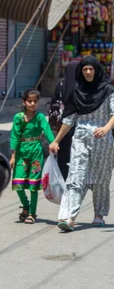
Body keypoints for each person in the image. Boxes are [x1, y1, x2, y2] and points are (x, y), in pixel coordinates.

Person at [49, 56, 114, 232]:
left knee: (101, 180)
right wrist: (56, 140)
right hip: (80, 139)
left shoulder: (108, 90)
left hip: (102, 142)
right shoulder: (77, 92)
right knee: (75, 176)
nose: (88, 72)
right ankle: (69, 217)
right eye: (84, 70)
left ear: (96, 70)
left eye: (91, 69)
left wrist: (106, 128)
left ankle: (99, 214)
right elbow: (69, 119)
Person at [10, 89, 55, 223]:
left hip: (36, 152)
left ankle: (32, 213)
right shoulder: (18, 117)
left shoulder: (40, 117)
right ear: (24, 102)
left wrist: (54, 143)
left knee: (33, 184)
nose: (32, 104)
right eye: (29, 101)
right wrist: (13, 156)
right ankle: (26, 205)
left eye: (35, 101)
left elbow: (47, 130)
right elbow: (15, 136)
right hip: (21, 154)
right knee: (18, 183)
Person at [49, 60, 79, 180]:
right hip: (78, 129)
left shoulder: (60, 85)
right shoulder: (81, 87)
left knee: (64, 160)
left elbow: (53, 104)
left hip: (62, 129)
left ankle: (63, 185)